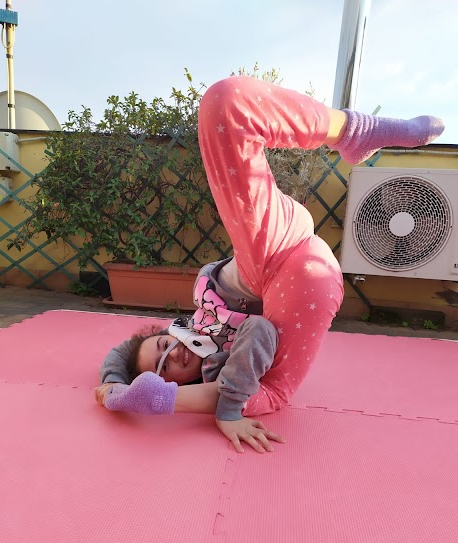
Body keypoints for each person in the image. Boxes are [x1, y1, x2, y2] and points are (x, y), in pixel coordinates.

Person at [95, 75, 444, 453]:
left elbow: (124, 351)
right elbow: (260, 335)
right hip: (300, 287)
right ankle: (173, 392)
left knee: (227, 102)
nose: (173, 354)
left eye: (163, 344)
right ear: (174, 384)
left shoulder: (189, 324)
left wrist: (114, 382)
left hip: (269, 249)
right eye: (165, 370)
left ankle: (352, 129)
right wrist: (192, 404)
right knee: (270, 389)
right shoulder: (217, 370)